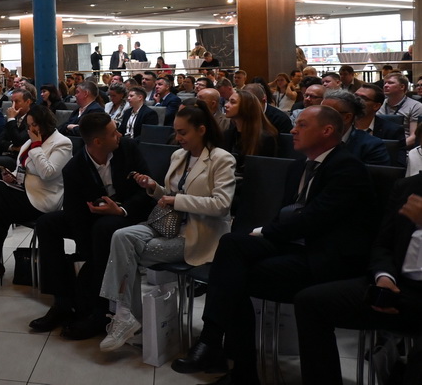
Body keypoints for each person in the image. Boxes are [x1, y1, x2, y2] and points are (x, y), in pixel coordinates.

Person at [172, 106, 376, 385]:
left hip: (325, 256)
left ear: (327, 131)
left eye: (302, 125)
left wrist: (264, 232)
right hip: (294, 244)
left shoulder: (347, 168)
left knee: (233, 277)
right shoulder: (298, 167)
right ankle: (214, 343)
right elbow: (287, 215)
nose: (293, 130)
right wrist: (267, 232)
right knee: (231, 246)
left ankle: (231, 362)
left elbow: (315, 219)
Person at [99, 101, 237, 351]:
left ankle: (128, 318)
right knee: (120, 236)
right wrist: (154, 188)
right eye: (176, 132)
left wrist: (177, 200)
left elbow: (222, 205)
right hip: (168, 224)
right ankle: (125, 315)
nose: (178, 137)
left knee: (127, 253)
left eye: (183, 132)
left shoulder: (221, 159)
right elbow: (170, 196)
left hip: (198, 234)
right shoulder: (179, 156)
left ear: (202, 130)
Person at [29, 112, 154, 339]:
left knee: (102, 229)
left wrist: (122, 210)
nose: (119, 135)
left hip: (129, 213)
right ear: (97, 142)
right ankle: (62, 301)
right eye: (113, 133)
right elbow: (74, 212)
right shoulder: (74, 168)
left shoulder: (128, 149)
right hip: (93, 217)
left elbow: (147, 191)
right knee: (46, 223)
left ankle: (99, 311)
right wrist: (86, 251)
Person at [294, 174, 422, 385]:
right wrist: (384, 277)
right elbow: (383, 244)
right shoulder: (408, 186)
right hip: (399, 287)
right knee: (310, 303)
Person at [0, 104, 72, 291]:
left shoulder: (62, 143)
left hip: (42, 201)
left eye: (34, 124)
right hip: (23, 193)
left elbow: (47, 173)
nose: (31, 129)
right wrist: (11, 176)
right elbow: (22, 168)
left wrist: (36, 146)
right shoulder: (30, 141)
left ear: (45, 123)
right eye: (29, 125)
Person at [322, 88, 390, 166]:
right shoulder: (313, 138)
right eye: (319, 111)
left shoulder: (371, 146)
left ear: (347, 118)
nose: (319, 117)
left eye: (326, 113)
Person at [221, 89, 278, 170]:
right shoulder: (227, 135)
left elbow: (264, 171)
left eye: (232, 102)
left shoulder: (265, 139)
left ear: (246, 107)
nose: (226, 105)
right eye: (228, 101)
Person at [381, 72, 422, 147]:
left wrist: (393, 147)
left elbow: (414, 137)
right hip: (379, 145)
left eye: (390, 83)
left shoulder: (416, 106)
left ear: (402, 87)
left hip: (404, 147)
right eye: (385, 83)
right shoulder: (378, 105)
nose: (385, 85)